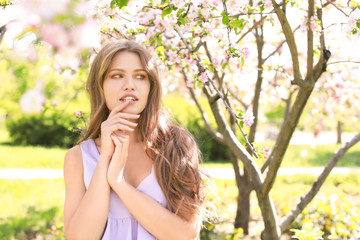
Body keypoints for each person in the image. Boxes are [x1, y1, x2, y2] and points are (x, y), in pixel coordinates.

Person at [63, 40, 209, 240]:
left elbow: (185, 234)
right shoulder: (78, 157)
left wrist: (118, 182)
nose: (130, 85)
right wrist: (105, 158)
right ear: (100, 85)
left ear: (151, 86)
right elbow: (80, 238)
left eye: (140, 76)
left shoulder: (176, 146)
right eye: (117, 75)